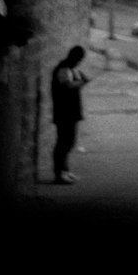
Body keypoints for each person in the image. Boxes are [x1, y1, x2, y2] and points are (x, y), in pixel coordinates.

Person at [51, 45, 89, 185]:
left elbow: (75, 82)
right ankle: (59, 173)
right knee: (63, 142)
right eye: (79, 59)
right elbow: (67, 85)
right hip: (64, 112)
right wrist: (82, 82)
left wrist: (81, 80)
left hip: (71, 111)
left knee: (69, 142)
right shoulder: (63, 68)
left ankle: (65, 171)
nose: (79, 62)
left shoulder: (71, 68)